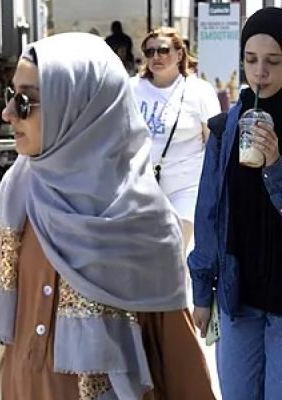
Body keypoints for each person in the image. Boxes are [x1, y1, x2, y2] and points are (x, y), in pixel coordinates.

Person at [0, 32, 214, 399]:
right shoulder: (19, 188)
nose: (7, 113)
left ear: (80, 107)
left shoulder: (144, 221)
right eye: (11, 96)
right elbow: (6, 304)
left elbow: (178, 362)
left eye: (25, 101)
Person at [189, 7, 282, 399]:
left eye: (273, 61)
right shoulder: (226, 127)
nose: (260, 71)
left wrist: (275, 166)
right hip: (238, 292)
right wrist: (202, 292)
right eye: (250, 60)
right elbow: (209, 211)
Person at [130, 27, 221, 247]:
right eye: (149, 52)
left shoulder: (199, 91)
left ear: (179, 54)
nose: (156, 57)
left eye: (162, 50)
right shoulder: (132, 88)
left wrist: (215, 187)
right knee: (145, 254)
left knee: (175, 248)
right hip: (142, 185)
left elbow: (214, 143)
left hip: (186, 185)